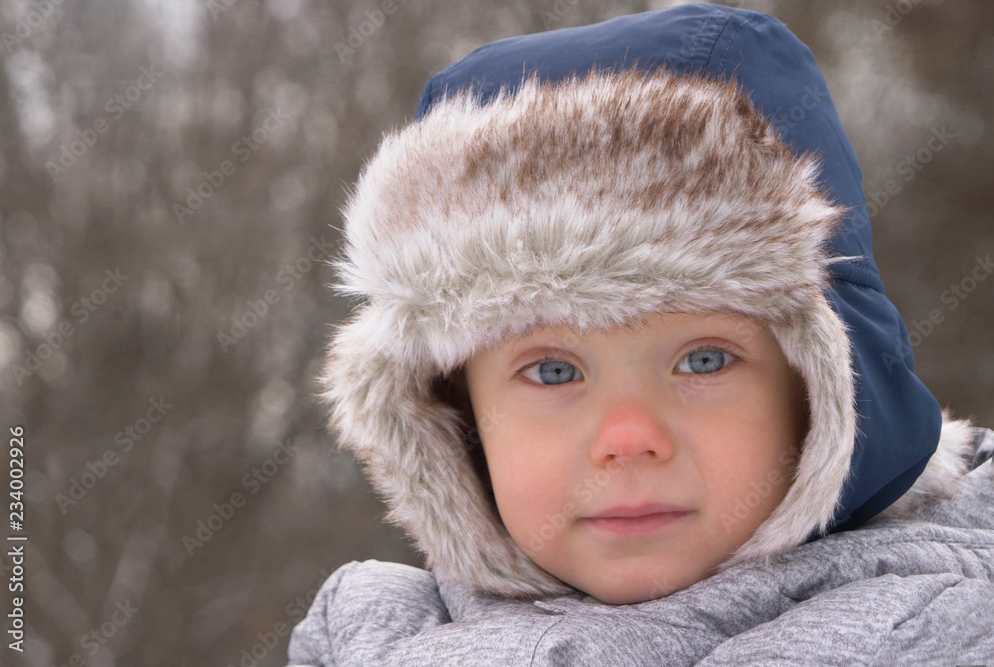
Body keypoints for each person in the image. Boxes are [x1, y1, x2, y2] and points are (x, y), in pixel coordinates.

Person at [288, 3, 994, 664]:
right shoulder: (372, 635)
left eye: (706, 359)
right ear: (457, 414)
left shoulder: (938, 626)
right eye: (554, 371)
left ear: (826, 389)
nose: (628, 435)